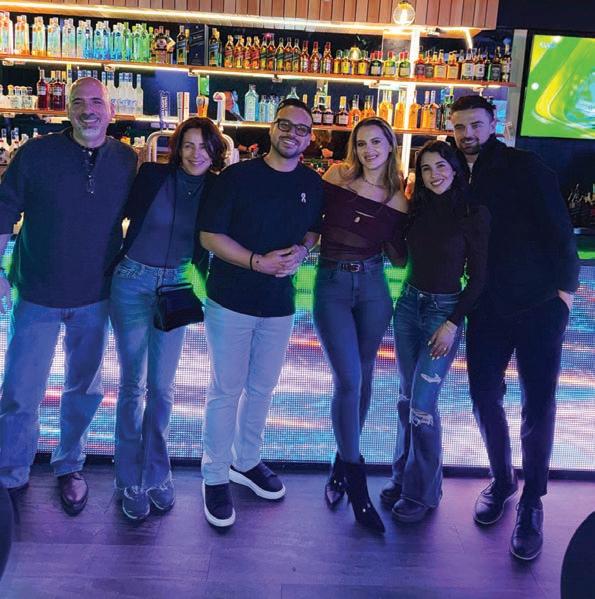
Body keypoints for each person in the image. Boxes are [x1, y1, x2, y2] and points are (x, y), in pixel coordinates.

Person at [451, 95, 580, 560]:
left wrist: (565, 296)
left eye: (476, 124)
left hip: (539, 304)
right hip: (486, 305)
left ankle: (532, 501)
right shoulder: (452, 171)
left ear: (494, 124)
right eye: (460, 126)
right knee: (483, 395)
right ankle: (503, 480)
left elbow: (560, 230)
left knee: (538, 403)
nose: (468, 134)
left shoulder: (526, 166)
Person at [0, 77, 137, 514]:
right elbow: (3, 211)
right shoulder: (35, 154)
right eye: (79, 102)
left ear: (111, 110)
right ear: (67, 109)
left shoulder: (127, 160)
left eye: (96, 102)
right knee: (21, 391)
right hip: (37, 292)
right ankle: (11, 474)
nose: (88, 110)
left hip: (96, 295)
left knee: (84, 389)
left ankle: (70, 465)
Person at [199, 98, 323, 528]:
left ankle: (246, 460)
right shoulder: (237, 177)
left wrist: (303, 250)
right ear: (272, 128)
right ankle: (215, 474)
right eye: (285, 125)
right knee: (226, 390)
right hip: (230, 299)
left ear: (310, 138)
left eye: (301, 129)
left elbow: (314, 229)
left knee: (263, 389)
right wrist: (257, 262)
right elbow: (210, 236)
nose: (292, 134)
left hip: (279, 304)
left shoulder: (312, 183)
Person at [108, 118, 227, 521]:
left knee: (162, 388)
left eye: (204, 146)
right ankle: (128, 478)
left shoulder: (217, 189)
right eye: (188, 145)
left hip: (175, 286)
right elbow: (114, 215)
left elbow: (221, 239)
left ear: (215, 151)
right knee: (133, 385)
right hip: (131, 280)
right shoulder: (153, 175)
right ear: (177, 148)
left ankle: (157, 472)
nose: (196, 154)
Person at [380, 140, 490, 523]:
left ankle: (422, 493)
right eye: (426, 168)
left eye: (441, 166)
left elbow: (478, 279)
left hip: (443, 313)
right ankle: (402, 478)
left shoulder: (473, 214)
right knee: (406, 399)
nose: (434, 174)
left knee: (422, 406)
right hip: (408, 306)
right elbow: (400, 259)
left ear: (455, 169)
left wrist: (452, 323)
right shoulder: (417, 209)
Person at [313, 117, 408, 533]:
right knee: (348, 379)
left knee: (365, 376)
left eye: (376, 142)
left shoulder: (400, 198)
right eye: (362, 143)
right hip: (331, 284)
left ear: (390, 147)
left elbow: (401, 258)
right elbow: (311, 223)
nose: (369, 149)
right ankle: (356, 483)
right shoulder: (337, 176)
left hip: (373, 287)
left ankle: (340, 463)